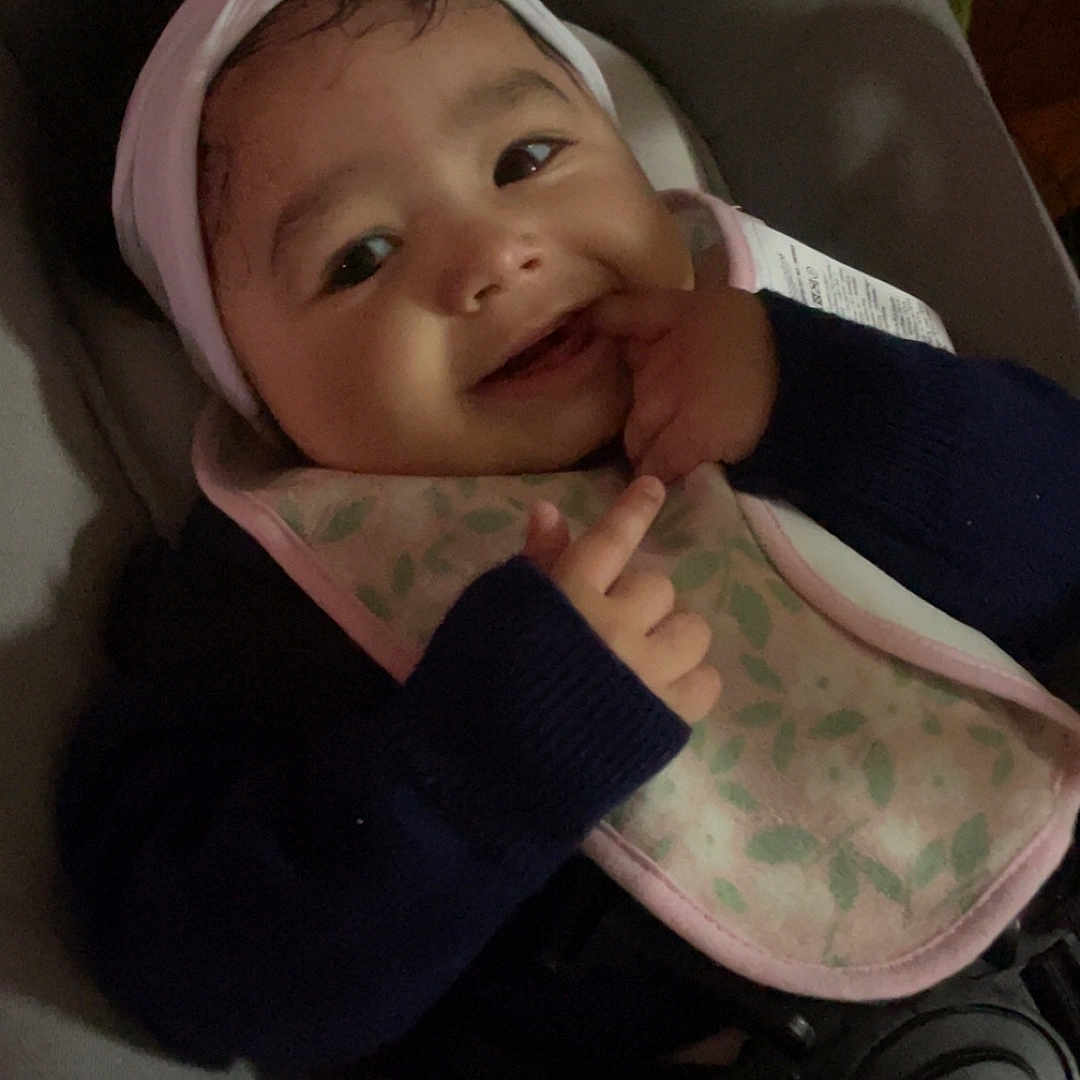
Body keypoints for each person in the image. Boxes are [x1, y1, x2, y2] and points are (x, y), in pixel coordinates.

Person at [56, 0, 1080, 1073]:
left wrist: (821, 403)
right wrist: (481, 762)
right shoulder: (274, 599)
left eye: (527, 157)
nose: (493, 257)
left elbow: (1063, 558)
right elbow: (208, 977)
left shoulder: (798, 354)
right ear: (246, 384)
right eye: (359, 257)